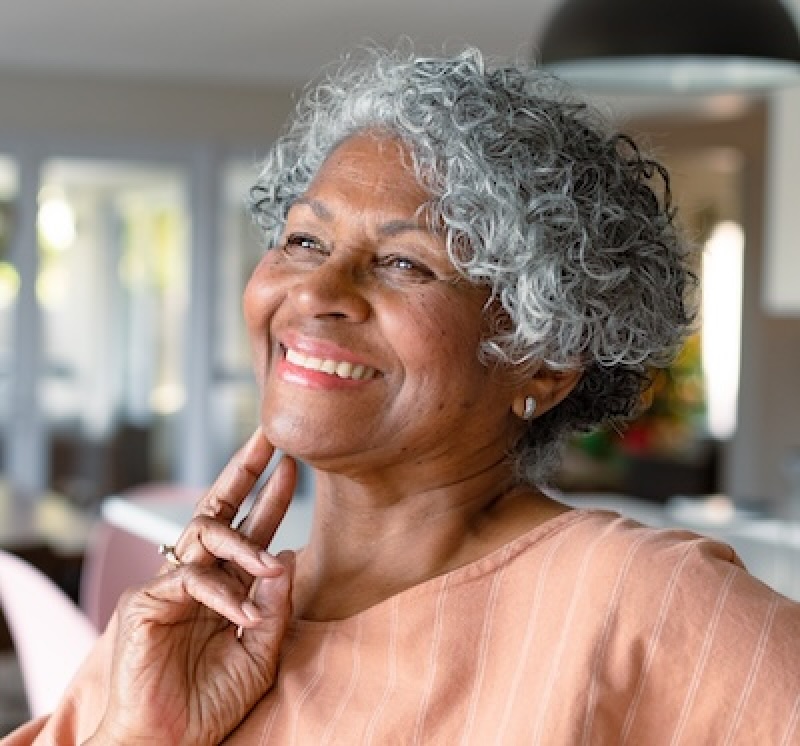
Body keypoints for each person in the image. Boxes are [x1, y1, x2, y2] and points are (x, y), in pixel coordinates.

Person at [5, 44, 799, 746]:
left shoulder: (639, 603)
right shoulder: (185, 620)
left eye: (405, 264)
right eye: (304, 240)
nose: (316, 290)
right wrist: (143, 734)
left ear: (543, 361)